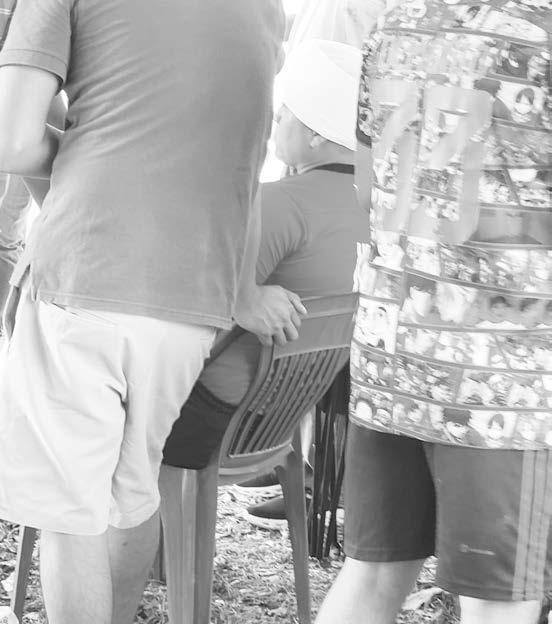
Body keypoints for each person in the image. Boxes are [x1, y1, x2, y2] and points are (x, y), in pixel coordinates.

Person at [0, 2, 309, 624]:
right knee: (132, 494)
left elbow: (13, 139)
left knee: (71, 517)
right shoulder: (265, 8)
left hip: (86, 269)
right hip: (195, 297)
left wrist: (94, 150)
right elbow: (245, 167)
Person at [316, 1, 552, 624]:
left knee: (371, 574)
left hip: (392, 352)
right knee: (498, 600)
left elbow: (367, 188)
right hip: (504, 380)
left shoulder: (395, 23)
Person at [162, 38, 366, 527]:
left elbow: (194, 315)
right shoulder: (372, 209)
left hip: (214, 419)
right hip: (282, 420)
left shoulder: (280, 204)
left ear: (315, 135)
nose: (274, 122)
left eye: (283, 114)